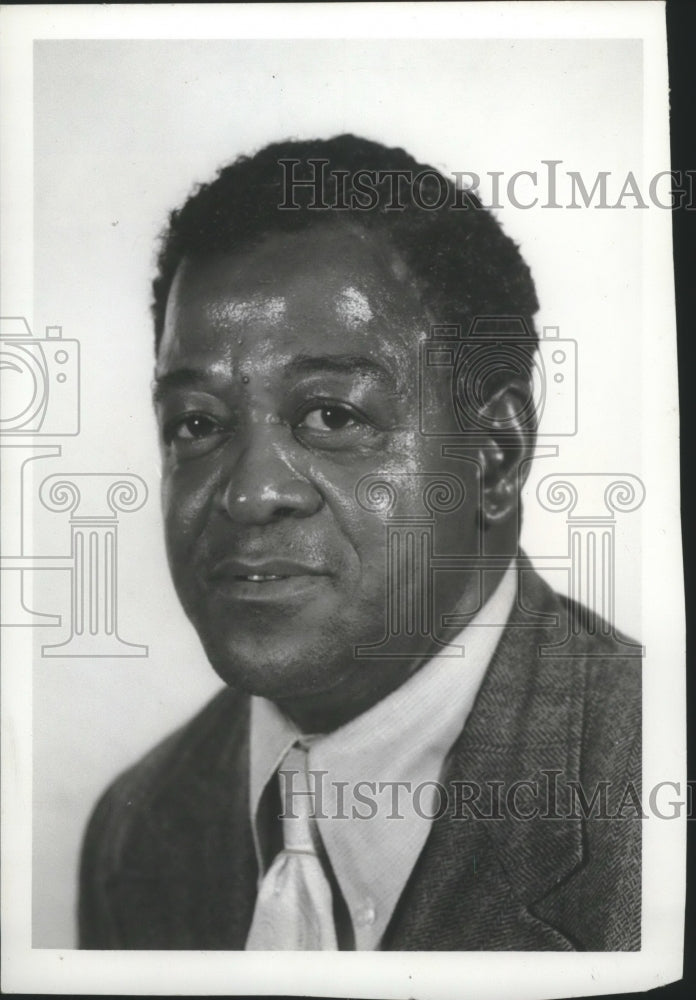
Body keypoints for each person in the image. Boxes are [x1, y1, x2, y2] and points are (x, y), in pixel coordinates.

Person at [78, 135, 641, 951]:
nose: (250, 492)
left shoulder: (654, 795)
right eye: (196, 424)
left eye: (332, 415)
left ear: (495, 454)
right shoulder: (136, 833)